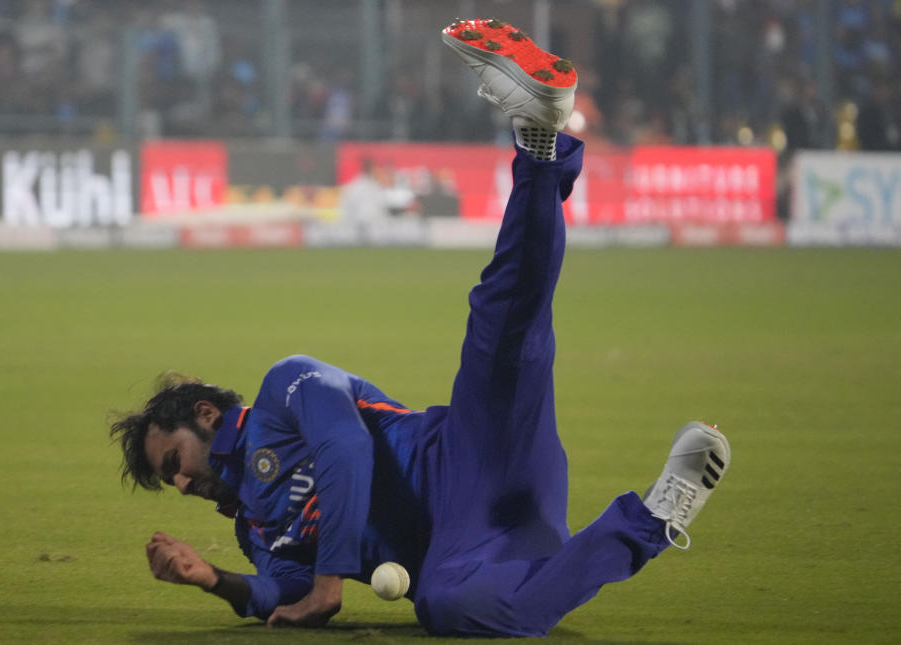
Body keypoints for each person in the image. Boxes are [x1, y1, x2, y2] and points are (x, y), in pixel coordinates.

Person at [110, 19, 731, 638]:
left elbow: (346, 447)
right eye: (170, 480)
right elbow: (284, 590)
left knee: (503, 323)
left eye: (174, 461)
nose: (183, 482)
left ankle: (538, 140)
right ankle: (654, 517)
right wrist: (213, 580)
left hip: (469, 448)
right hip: (463, 546)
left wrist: (331, 582)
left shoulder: (285, 387)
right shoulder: (256, 528)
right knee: (448, 609)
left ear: (206, 415)